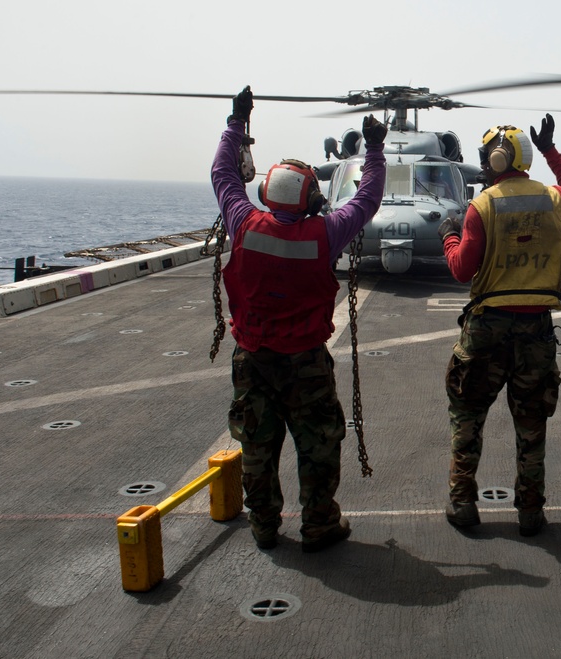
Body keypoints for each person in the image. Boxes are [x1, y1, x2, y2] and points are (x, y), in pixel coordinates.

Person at [211, 86, 387, 552]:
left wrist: (236, 125)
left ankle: (265, 526)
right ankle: (319, 524)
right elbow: (366, 201)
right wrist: (374, 151)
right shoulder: (324, 233)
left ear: (269, 190)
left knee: (256, 447)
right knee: (319, 447)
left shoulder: (243, 222)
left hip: (252, 360)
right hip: (305, 364)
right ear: (310, 195)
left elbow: (222, 176)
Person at [437, 114, 561, 537]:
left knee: (467, 416)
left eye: (487, 157)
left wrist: (449, 235)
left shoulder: (482, 205)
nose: (483, 164)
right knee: (532, 422)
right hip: (536, 329)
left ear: (499, 158)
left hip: (488, 328)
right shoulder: (551, 199)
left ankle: (464, 503)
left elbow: (462, 270)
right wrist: (551, 151)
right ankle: (531, 512)